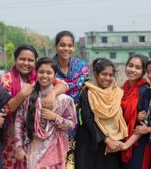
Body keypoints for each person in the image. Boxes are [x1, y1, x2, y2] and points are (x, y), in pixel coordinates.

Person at [0, 44, 68, 169]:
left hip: (36, 139)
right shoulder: (7, 79)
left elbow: (63, 85)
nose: (26, 63)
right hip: (12, 137)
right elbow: (3, 109)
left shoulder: (40, 76)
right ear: (15, 60)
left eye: (30, 60)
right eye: (22, 59)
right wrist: (22, 95)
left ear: (35, 62)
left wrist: (52, 93)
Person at [14, 57, 77, 169]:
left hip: (55, 150)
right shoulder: (28, 97)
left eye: (49, 72)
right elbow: (19, 123)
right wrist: (19, 147)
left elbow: (72, 124)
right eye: (41, 72)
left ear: (55, 75)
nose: (44, 75)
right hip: (33, 148)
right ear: (36, 73)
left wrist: (55, 117)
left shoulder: (64, 99)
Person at [75, 58, 128, 169]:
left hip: (113, 143)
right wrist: (106, 140)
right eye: (104, 74)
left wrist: (114, 141)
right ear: (95, 73)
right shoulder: (87, 93)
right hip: (91, 142)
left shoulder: (118, 93)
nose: (107, 78)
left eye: (111, 75)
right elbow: (88, 120)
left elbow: (122, 118)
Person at [53, 30, 89, 168]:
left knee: (71, 160)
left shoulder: (81, 66)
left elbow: (81, 86)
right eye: (62, 45)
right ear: (56, 46)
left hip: (75, 121)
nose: (66, 49)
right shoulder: (48, 67)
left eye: (70, 45)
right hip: (53, 121)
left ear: (73, 47)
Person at [120, 54, 151, 169]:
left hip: (138, 144)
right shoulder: (123, 89)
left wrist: (127, 145)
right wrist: (134, 116)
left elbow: (145, 124)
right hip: (122, 139)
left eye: (138, 68)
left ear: (143, 71)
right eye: (130, 66)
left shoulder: (146, 91)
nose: (133, 70)